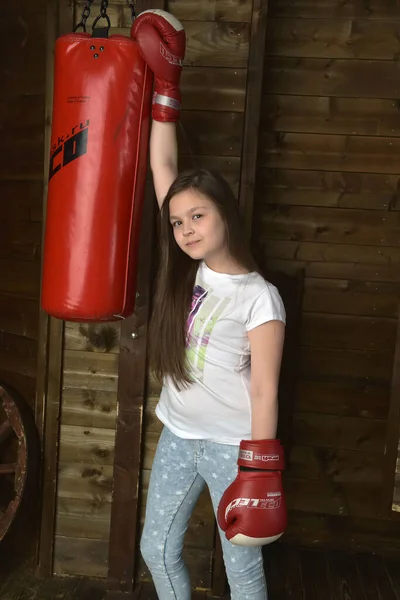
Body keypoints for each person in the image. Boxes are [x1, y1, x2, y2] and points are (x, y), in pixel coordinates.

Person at [132, 9, 287, 600]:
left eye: (199, 215)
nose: (187, 229)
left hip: (231, 447)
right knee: (157, 549)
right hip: (178, 434)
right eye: (178, 222)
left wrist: (259, 473)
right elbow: (162, 168)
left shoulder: (259, 298)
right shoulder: (188, 273)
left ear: (225, 214)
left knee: (241, 565)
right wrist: (166, 91)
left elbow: (265, 391)